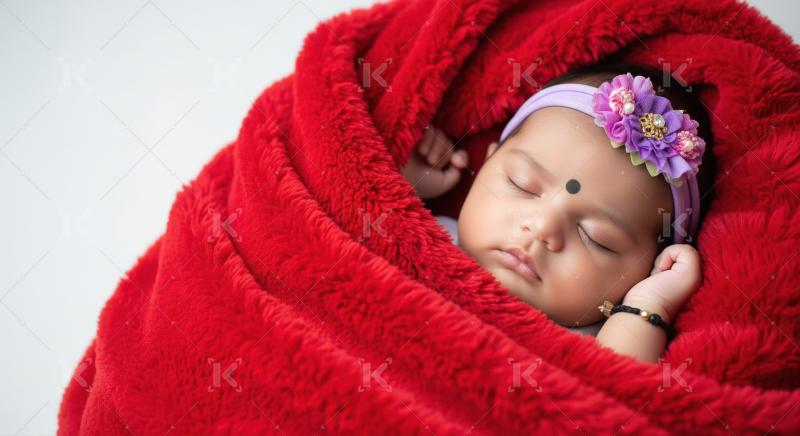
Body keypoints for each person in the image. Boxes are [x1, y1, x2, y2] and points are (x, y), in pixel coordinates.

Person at [400, 63, 716, 363]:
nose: (542, 227)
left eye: (596, 238)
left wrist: (648, 304)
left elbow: (621, 386)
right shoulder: (422, 232)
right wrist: (404, 174)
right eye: (521, 184)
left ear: (647, 271)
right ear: (487, 162)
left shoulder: (600, 342)